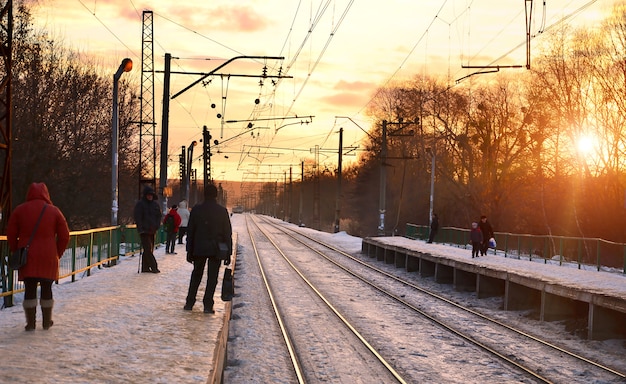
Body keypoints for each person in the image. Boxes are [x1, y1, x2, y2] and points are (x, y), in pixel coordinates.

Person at [6, 182, 70, 331]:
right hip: (48, 257)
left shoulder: (20, 210)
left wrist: (17, 250)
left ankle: (31, 323)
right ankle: (47, 322)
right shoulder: (54, 211)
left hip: (27, 256)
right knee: (47, 288)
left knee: (29, 288)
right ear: (46, 194)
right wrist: (57, 253)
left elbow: (11, 234)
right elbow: (65, 236)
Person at [184, 184, 232, 314]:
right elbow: (227, 233)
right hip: (216, 249)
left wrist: (189, 250)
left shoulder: (196, 210)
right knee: (212, 277)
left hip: (199, 248)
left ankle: (189, 302)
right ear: (216, 195)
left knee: (196, 276)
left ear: (204, 194)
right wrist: (228, 253)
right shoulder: (222, 211)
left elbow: (191, 231)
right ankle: (207, 305)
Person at [134, 186, 162, 273]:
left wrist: (157, 225)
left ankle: (145, 268)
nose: (150, 196)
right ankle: (154, 267)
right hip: (144, 230)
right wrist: (140, 228)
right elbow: (138, 217)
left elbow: (159, 216)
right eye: (148, 195)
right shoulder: (140, 204)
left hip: (152, 230)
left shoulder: (155, 205)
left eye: (151, 195)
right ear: (145, 195)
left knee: (149, 249)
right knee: (147, 249)